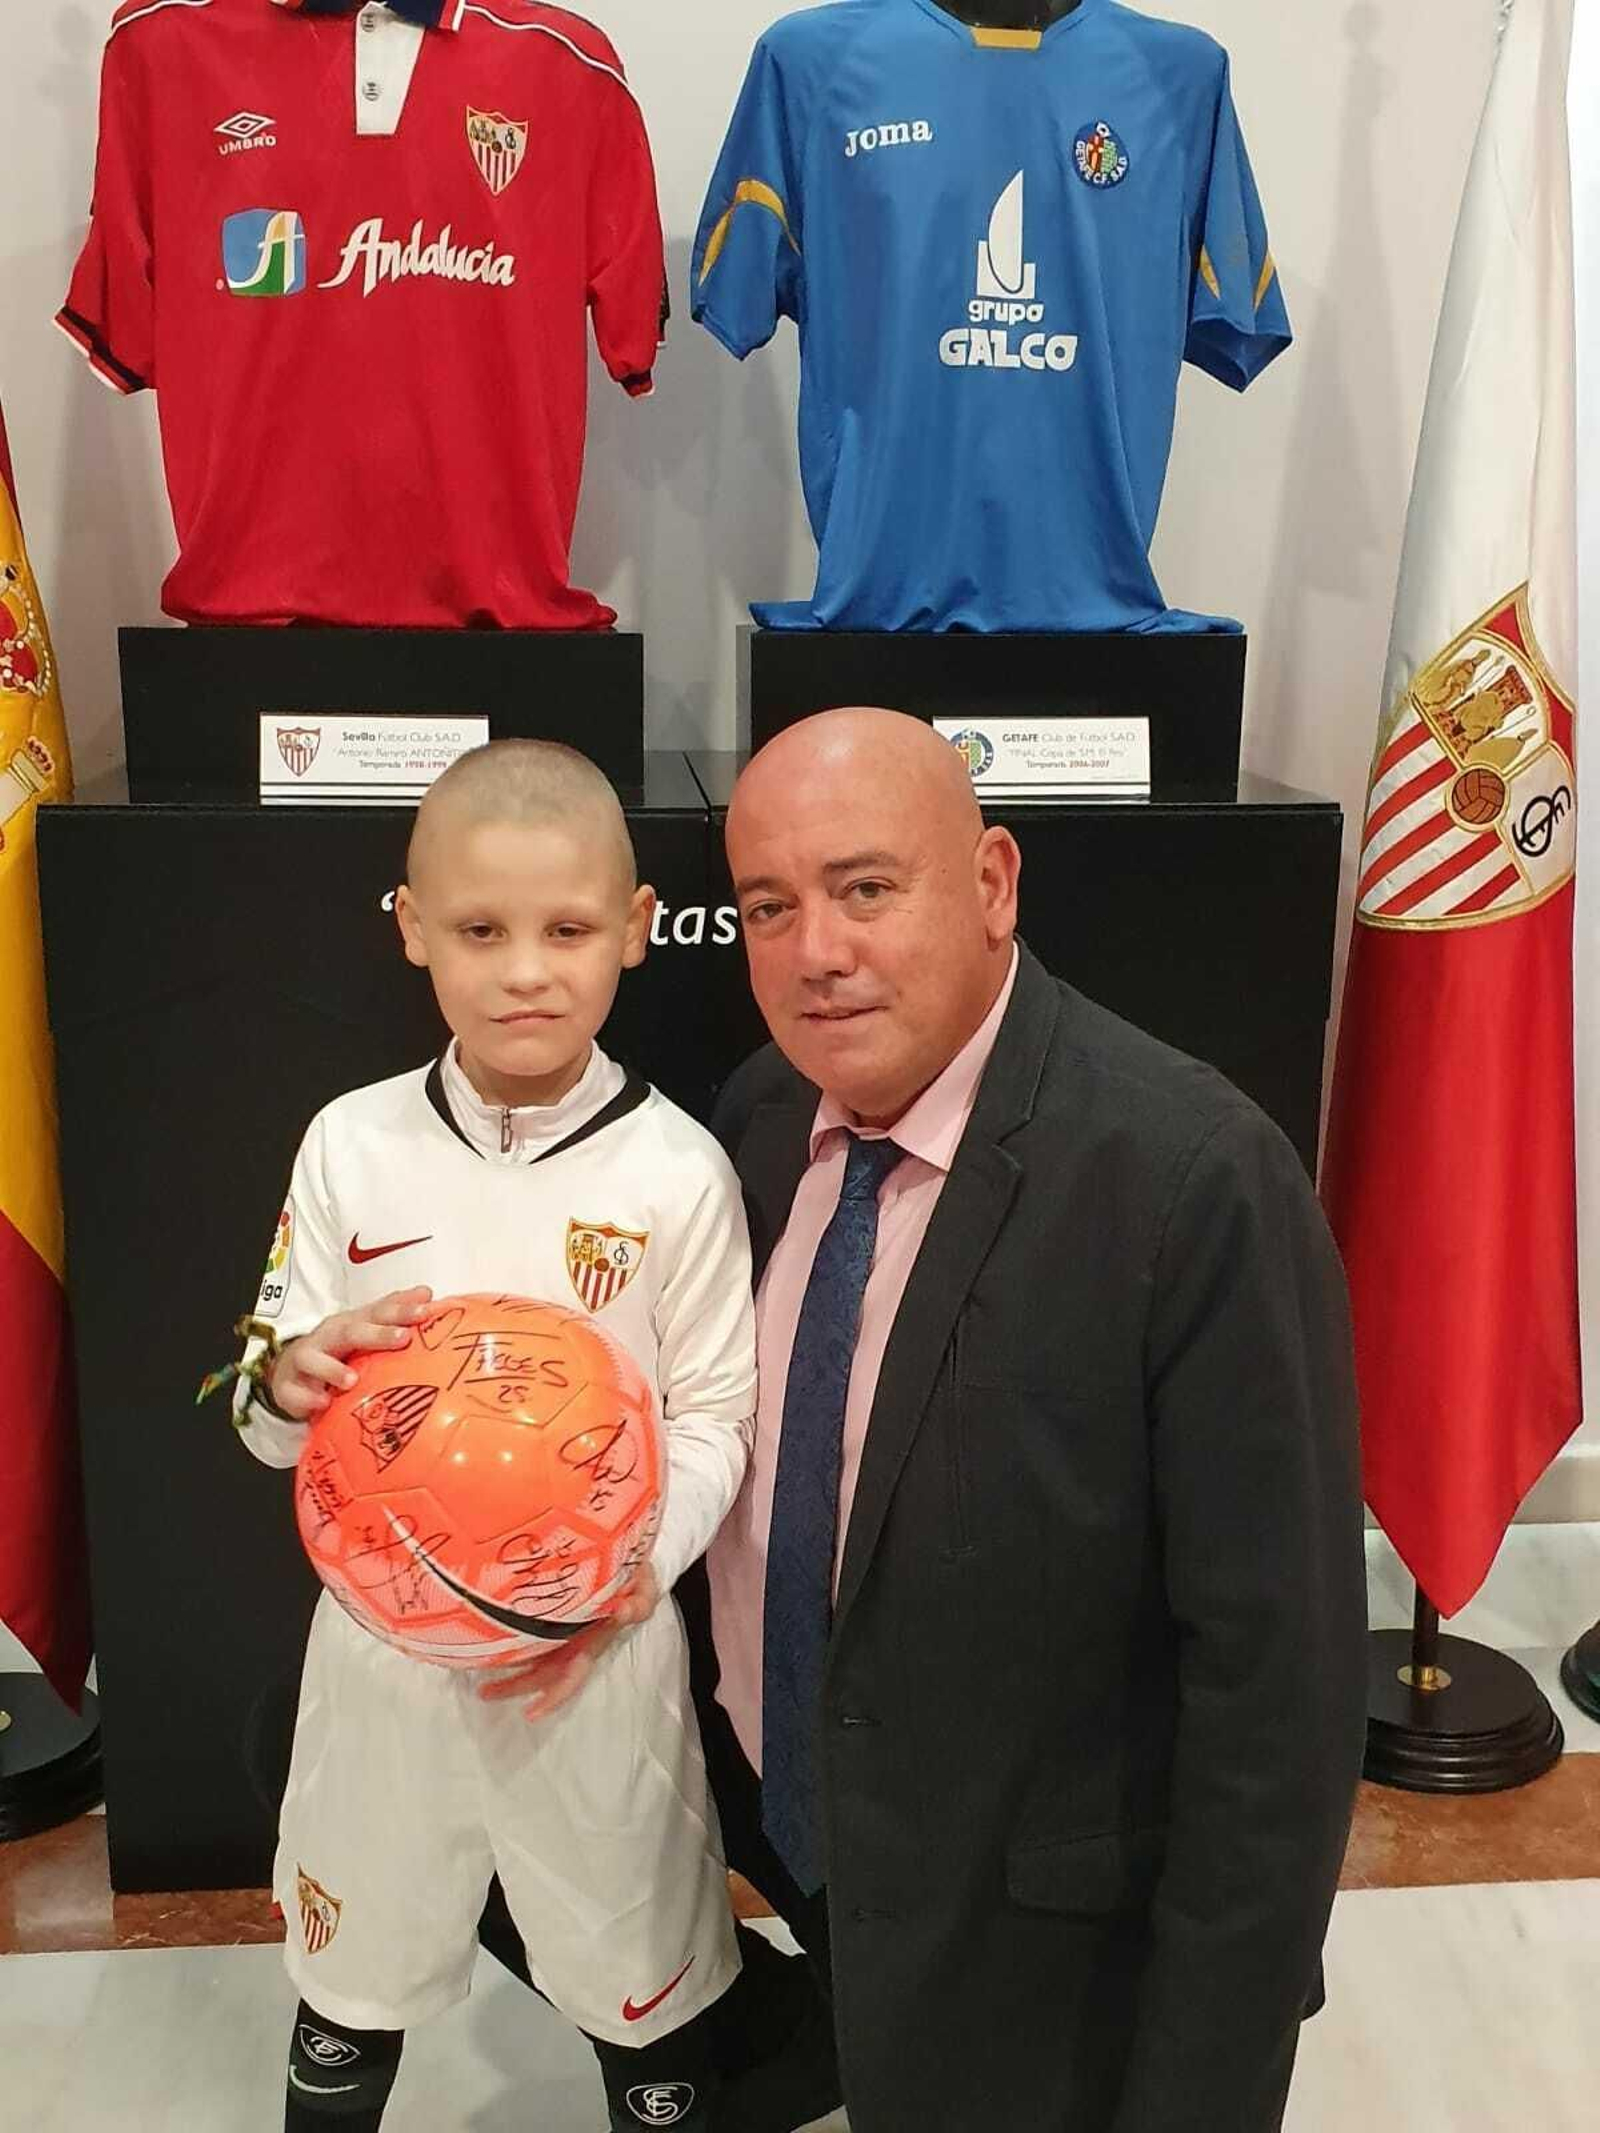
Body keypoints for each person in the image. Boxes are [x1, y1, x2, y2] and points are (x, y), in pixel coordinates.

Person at [694, 707, 1369, 2132]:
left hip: (1054, 1975)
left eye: (867, 887)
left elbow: (1279, 1707)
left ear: (993, 882)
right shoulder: (759, 1121)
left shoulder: (1196, 1180)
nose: (816, 949)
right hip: (827, 1867)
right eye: (771, 904)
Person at [229, 740, 757, 2133]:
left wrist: (632, 1565)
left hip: (597, 1665)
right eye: (480, 929)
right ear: (412, 930)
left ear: (638, 930)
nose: (526, 969)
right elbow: (258, 1374)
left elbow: (717, 1410)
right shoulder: (349, 1143)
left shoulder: (678, 1171)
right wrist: (284, 1386)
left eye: (568, 928)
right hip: (384, 1665)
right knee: (350, 1996)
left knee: (644, 2002)